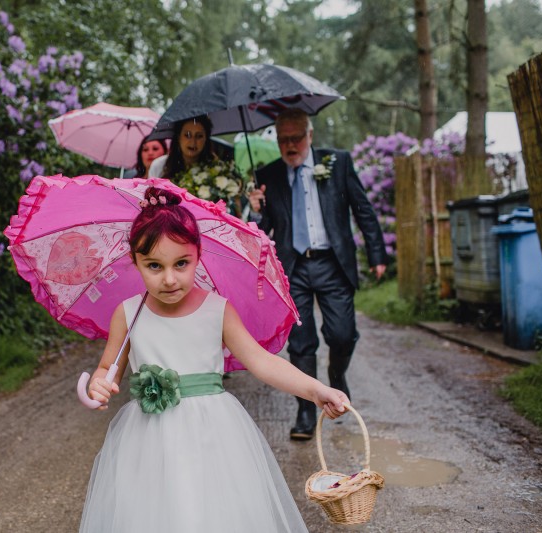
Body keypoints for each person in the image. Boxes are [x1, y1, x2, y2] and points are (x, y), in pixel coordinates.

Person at [80, 186, 350, 533]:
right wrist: (98, 385)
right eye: (154, 266)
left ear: (198, 255)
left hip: (212, 435)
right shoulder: (129, 313)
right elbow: (108, 368)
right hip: (148, 440)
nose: (169, 278)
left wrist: (315, 391)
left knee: (212, 514)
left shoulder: (217, 309)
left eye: (181, 263)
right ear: (135, 261)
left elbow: (262, 361)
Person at [247, 108, 387, 441]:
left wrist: (377, 254)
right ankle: (306, 411)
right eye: (283, 139)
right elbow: (260, 230)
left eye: (296, 138)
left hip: (333, 263)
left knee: (342, 335)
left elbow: (363, 209)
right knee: (301, 342)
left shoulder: (337, 163)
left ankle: (337, 377)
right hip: (292, 266)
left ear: (310, 136)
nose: (290, 145)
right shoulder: (268, 174)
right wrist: (255, 209)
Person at [147, 115, 216, 180]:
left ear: (206, 139)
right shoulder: (159, 166)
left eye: (199, 136)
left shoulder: (215, 169)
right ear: (178, 137)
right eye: (187, 135)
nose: (193, 142)